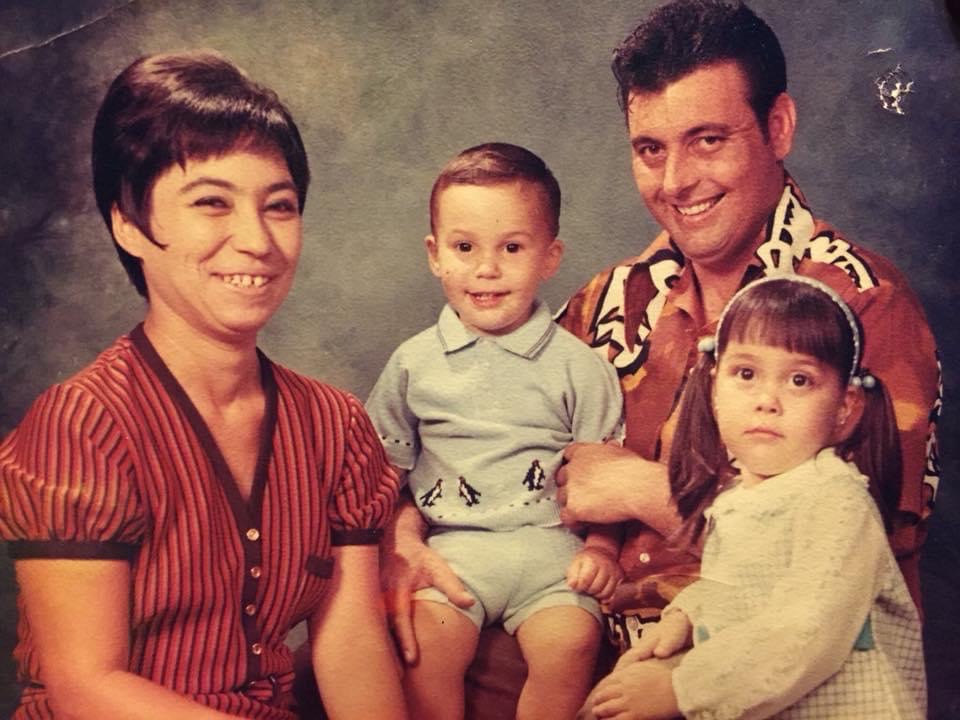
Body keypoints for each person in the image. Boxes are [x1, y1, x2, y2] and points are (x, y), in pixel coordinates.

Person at [381, 0, 941, 715]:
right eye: (651, 149)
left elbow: (861, 543)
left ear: (778, 127)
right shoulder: (610, 299)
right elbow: (469, 435)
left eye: (707, 140)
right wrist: (403, 538)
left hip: (763, 672)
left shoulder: (855, 304)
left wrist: (648, 491)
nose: (676, 180)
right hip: (582, 630)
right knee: (366, 656)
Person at [0, 51, 405, 719]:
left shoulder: (336, 424)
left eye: (279, 206)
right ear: (129, 224)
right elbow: (85, 686)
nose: (256, 240)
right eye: (212, 203)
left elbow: (352, 644)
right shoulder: (82, 425)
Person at [580, 275, 926, 719]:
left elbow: (804, 632)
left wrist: (682, 689)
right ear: (714, 390)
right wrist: (685, 616)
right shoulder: (741, 499)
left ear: (845, 408)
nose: (768, 400)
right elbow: (744, 591)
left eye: (799, 380)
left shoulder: (835, 501)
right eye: (746, 374)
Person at [366, 143, 625, 719]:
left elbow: (606, 479)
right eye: (464, 247)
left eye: (512, 247)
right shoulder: (413, 364)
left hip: (554, 555)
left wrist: (602, 549)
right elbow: (383, 471)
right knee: (426, 644)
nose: (487, 268)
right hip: (454, 551)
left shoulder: (580, 367)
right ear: (435, 254)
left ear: (549, 257)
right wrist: (396, 545)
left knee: (570, 644)